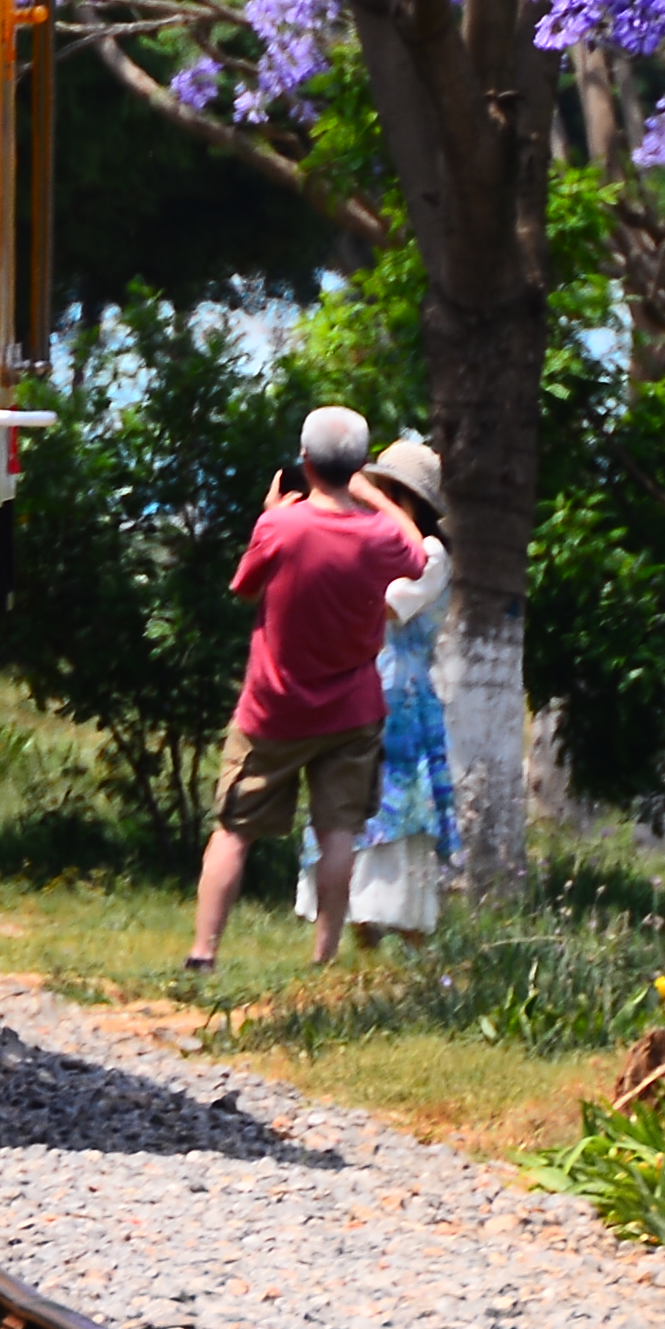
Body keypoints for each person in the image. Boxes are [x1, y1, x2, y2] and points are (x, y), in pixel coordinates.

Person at [184, 405, 428, 982]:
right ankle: (323, 957)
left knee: (234, 829)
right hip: (352, 711)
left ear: (304, 461)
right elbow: (415, 554)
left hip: (273, 708)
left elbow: (244, 587)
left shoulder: (283, 527)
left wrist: (268, 519)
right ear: (358, 466)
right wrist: (380, 498)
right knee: (337, 831)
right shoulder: (376, 537)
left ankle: (203, 954)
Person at [300, 435, 457, 947]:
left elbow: (387, 603)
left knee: (399, 815)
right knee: (354, 807)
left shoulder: (431, 554)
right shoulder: (378, 542)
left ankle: (407, 941)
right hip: (360, 685)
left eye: (386, 493)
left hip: (401, 698)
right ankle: (359, 934)